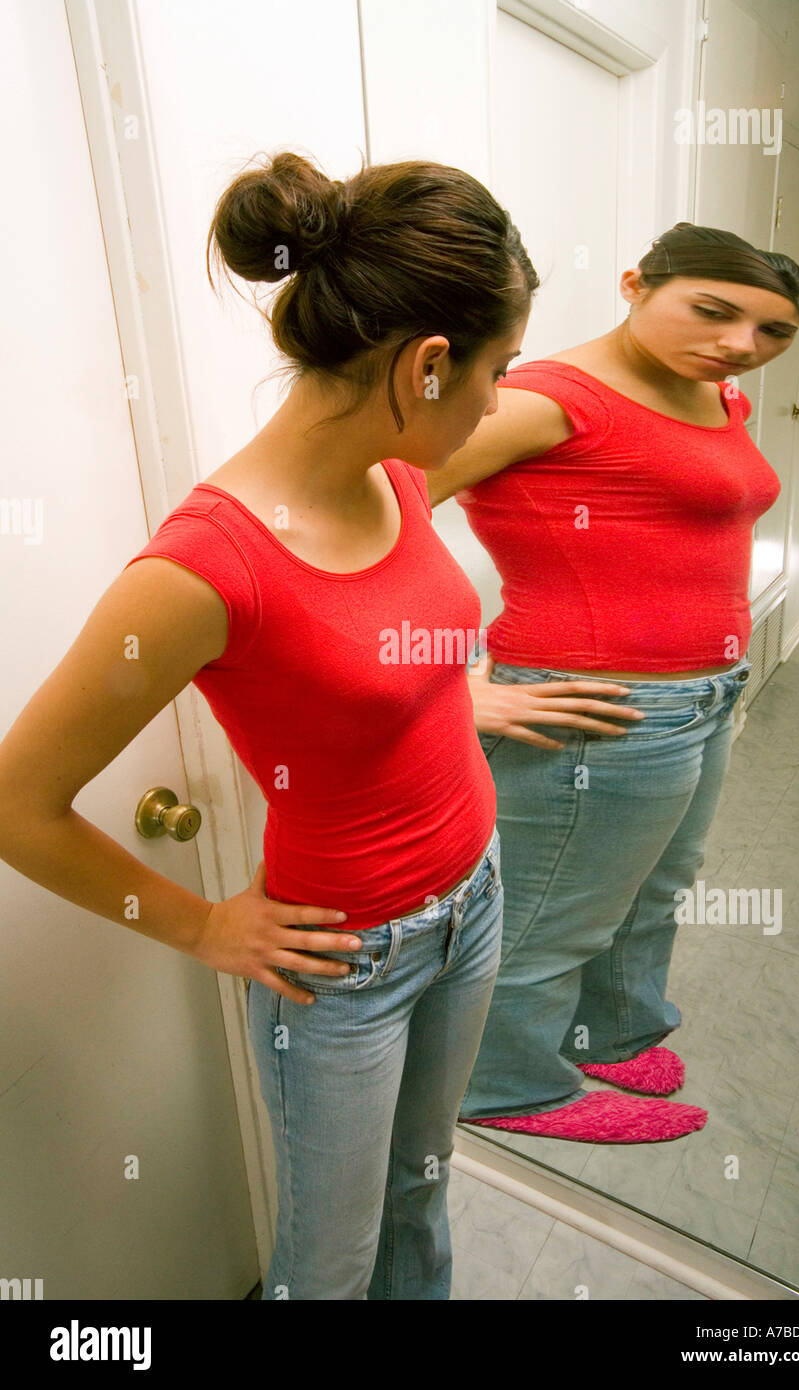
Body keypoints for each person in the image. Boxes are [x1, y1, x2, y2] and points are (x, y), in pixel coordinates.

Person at [0, 149, 558, 1301]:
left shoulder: (400, 473)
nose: (501, 399)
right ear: (428, 364)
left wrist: (461, 693)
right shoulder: (204, 569)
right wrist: (204, 926)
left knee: (423, 1183)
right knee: (329, 1262)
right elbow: (15, 803)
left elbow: (378, 651)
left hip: (475, 899)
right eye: (499, 370)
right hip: (348, 965)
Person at [424, 223, 799, 1143]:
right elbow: (360, 507)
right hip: (597, 704)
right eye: (713, 312)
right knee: (556, 908)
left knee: (657, 884)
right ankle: (501, 1085)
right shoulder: (547, 400)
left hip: (705, 692)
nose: (740, 346)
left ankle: (612, 1028)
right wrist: (443, 683)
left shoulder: (713, 393)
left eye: (771, 333)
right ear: (635, 283)